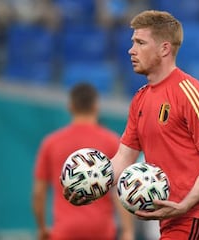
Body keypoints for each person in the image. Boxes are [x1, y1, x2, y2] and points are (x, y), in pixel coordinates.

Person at [66, 10, 199, 239]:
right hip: (168, 217)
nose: (131, 50)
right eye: (133, 42)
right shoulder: (141, 99)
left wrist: (185, 204)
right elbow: (124, 157)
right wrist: (91, 185)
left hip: (195, 215)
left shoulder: (190, 93)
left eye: (140, 43)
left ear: (164, 49)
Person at [32, 83, 134, 240]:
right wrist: (128, 231)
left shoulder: (51, 143)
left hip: (65, 231)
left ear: (70, 106)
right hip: (102, 231)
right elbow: (121, 191)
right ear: (96, 106)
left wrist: (42, 227)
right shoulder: (112, 141)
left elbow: (39, 193)